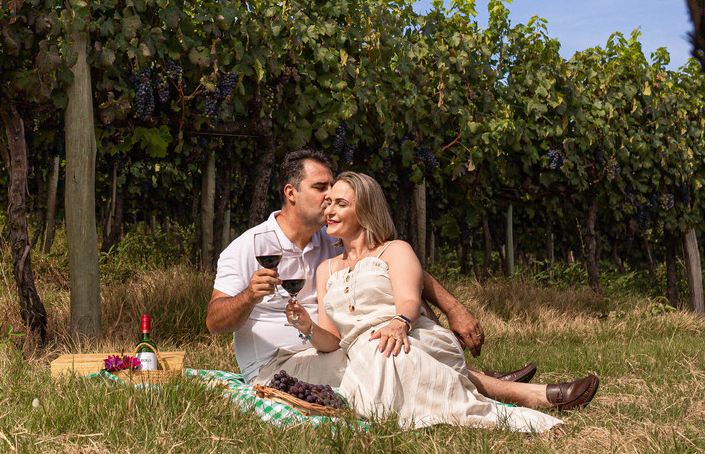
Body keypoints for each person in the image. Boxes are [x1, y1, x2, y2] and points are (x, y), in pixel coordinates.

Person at [285, 171, 599, 430]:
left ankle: (520, 419)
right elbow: (332, 342)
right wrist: (308, 326)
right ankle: (500, 396)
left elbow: (410, 299)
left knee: (386, 353)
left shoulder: (395, 250)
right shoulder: (325, 270)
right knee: (369, 356)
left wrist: (399, 323)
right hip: (362, 354)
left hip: (410, 337)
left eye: (340, 203)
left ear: (365, 209)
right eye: (328, 203)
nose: (329, 211)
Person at [206, 149, 529, 389]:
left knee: (391, 334)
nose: (329, 197)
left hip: (333, 346)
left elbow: (395, 261)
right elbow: (215, 322)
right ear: (291, 193)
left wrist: (453, 308)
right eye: (321, 188)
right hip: (277, 364)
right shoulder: (249, 247)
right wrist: (249, 296)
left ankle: (471, 379)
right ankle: (507, 390)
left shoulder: (330, 237)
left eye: (333, 189)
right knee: (380, 357)